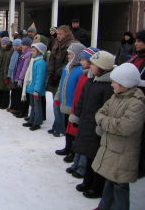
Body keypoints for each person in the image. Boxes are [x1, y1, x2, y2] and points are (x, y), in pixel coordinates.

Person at [92, 63, 145, 210]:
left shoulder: (136, 103)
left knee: (120, 186)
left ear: (125, 84)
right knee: (109, 181)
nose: (112, 84)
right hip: (111, 149)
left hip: (123, 153)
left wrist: (104, 121)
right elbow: (100, 112)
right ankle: (104, 206)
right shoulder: (116, 97)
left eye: (114, 82)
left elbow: (125, 127)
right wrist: (106, 120)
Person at [69, 51, 115, 199]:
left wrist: (101, 126)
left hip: (97, 126)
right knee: (89, 155)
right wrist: (77, 114)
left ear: (102, 67)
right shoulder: (91, 80)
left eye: (94, 64)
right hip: (86, 122)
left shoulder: (108, 86)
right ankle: (87, 181)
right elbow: (82, 99)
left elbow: (108, 109)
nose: (91, 66)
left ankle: (97, 187)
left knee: (97, 157)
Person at [65, 47, 100, 179]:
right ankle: (76, 163)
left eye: (84, 60)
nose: (81, 62)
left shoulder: (89, 77)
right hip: (79, 110)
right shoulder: (84, 74)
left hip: (87, 115)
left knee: (85, 142)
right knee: (79, 139)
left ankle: (82, 167)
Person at [53, 43, 86, 157]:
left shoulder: (80, 70)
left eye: (71, 54)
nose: (68, 56)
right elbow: (61, 84)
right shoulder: (66, 68)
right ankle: (67, 147)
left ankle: (73, 151)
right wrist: (58, 97)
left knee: (73, 129)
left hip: (74, 106)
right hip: (66, 103)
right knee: (68, 127)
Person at [46, 25, 75, 135]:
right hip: (55, 75)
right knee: (55, 102)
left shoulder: (70, 45)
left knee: (60, 103)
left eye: (60, 34)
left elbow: (67, 62)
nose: (58, 36)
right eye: (57, 33)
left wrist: (57, 73)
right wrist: (51, 72)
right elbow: (52, 58)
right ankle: (57, 124)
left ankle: (61, 127)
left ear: (66, 34)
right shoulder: (56, 43)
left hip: (62, 76)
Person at [126, 29, 145, 179]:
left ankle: (141, 166)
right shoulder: (134, 58)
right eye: (136, 41)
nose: (136, 44)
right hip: (130, 101)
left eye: (139, 41)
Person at [21, 42, 48, 130]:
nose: (31, 52)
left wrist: (36, 90)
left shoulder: (40, 63)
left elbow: (39, 78)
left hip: (36, 90)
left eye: (33, 51)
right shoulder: (33, 61)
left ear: (39, 52)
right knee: (32, 105)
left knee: (37, 106)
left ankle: (37, 122)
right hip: (31, 88)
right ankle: (31, 120)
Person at [12, 37, 32, 118]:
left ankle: (24, 111)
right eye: (22, 45)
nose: (22, 46)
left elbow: (24, 68)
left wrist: (20, 78)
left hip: (24, 78)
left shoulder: (28, 54)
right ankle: (20, 109)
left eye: (24, 45)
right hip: (20, 76)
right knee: (20, 95)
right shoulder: (23, 53)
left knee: (24, 96)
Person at [6, 39, 22, 112]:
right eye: (14, 45)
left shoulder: (21, 54)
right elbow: (7, 64)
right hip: (11, 75)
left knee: (17, 92)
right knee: (12, 91)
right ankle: (11, 105)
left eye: (17, 45)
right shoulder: (11, 53)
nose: (15, 47)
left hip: (17, 75)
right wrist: (6, 75)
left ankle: (16, 107)